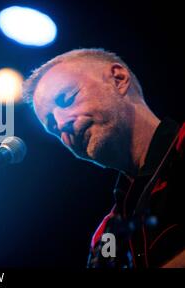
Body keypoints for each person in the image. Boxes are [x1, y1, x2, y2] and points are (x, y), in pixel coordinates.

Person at [23, 48, 184, 268]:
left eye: (66, 99)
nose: (61, 124)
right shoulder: (105, 236)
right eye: (52, 126)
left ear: (118, 79)